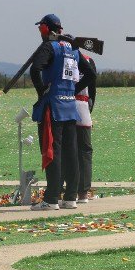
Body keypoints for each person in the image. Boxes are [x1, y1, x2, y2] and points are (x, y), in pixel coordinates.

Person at [29, 14, 94, 209]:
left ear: (47, 29)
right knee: (71, 152)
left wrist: (42, 91)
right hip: (70, 106)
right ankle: (71, 197)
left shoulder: (49, 47)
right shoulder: (73, 48)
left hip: (53, 107)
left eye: (41, 29)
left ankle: (51, 199)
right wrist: (73, 90)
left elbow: (35, 70)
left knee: (52, 151)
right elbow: (90, 73)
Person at [75, 50, 97, 202]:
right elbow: (93, 90)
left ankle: (66, 192)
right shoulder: (89, 60)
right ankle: (83, 193)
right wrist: (90, 110)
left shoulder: (57, 56)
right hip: (83, 106)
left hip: (63, 105)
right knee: (85, 151)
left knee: (64, 150)